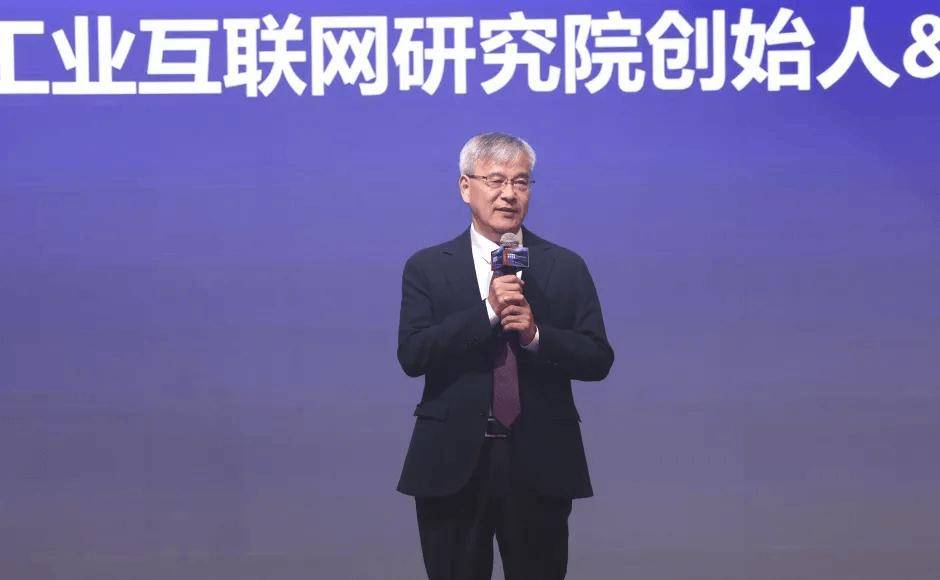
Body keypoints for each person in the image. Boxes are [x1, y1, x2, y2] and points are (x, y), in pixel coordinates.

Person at [396, 132, 614, 580]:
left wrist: (536, 335)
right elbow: (413, 354)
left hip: (540, 460)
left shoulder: (564, 266)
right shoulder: (428, 267)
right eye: (495, 180)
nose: (509, 194)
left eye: (521, 182)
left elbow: (597, 358)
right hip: (452, 462)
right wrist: (487, 313)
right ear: (466, 187)